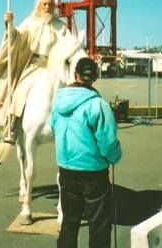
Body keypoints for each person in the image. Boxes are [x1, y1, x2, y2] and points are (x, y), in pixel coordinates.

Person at [49, 57, 122, 248]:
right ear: (94, 77)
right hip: (94, 175)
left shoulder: (58, 101)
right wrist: (114, 156)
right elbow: (109, 143)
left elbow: (53, 127)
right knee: (99, 227)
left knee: (69, 225)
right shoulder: (98, 105)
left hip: (67, 171)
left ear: (75, 74)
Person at [0, 0, 72, 144]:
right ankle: (12, 126)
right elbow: (16, 37)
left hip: (56, 67)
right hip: (34, 66)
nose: (47, 7)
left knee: (73, 90)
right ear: (39, 5)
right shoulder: (30, 22)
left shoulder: (61, 26)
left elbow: (71, 43)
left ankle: (75, 125)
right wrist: (9, 24)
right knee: (20, 91)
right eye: (44, 4)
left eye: (50, 4)